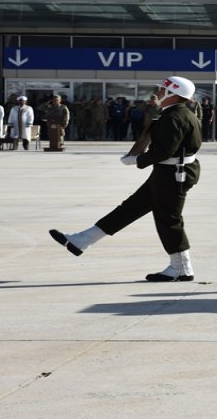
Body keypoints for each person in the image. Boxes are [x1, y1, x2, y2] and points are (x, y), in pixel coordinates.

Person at [50, 76, 203, 282]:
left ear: (173, 94)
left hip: (173, 174)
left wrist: (138, 159)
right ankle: (82, 240)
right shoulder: (178, 114)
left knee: (169, 219)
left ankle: (182, 268)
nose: (157, 93)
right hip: (169, 172)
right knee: (130, 208)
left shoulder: (173, 117)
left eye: (162, 90)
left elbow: (165, 151)